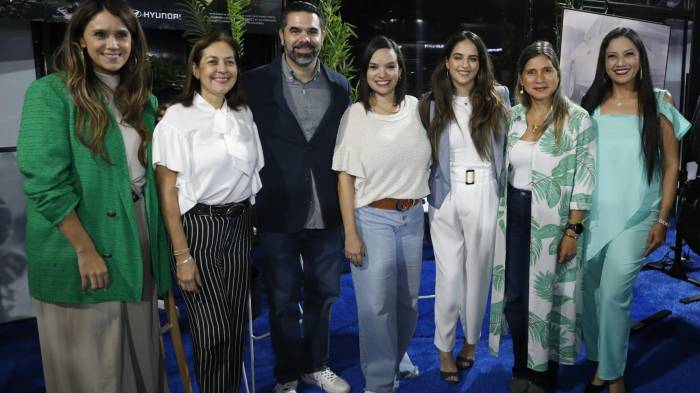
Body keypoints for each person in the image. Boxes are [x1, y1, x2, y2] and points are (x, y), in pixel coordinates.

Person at [16, 1, 171, 392]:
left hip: (136, 237)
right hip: (78, 240)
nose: (112, 44)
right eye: (100, 34)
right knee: (94, 364)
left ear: (134, 43)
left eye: (122, 34)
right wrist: (84, 249)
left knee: (139, 351)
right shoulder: (49, 93)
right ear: (81, 41)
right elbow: (44, 182)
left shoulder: (144, 102)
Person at [239, 2, 352, 393]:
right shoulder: (252, 84)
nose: (304, 39)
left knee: (325, 295)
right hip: (276, 211)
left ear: (322, 37)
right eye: (296, 31)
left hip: (328, 211)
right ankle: (287, 373)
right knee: (283, 300)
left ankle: (316, 364)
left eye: (312, 31)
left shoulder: (341, 86)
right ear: (282, 37)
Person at [580, 27, 691, 393]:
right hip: (594, 214)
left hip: (638, 215)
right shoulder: (591, 102)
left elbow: (673, 165)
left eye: (628, 54)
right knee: (591, 291)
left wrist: (662, 218)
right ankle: (599, 357)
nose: (620, 63)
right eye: (612, 56)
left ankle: (613, 372)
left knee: (614, 293)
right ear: (604, 62)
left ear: (641, 58)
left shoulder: (660, 102)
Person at [152, 31, 263, 393]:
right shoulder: (176, 119)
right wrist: (182, 255)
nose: (222, 69)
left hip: (240, 227)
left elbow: (252, 178)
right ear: (196, 69)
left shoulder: (243, 114)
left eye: (229, 61)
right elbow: (167, 193)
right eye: (212, 61)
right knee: (211, 331)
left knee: (234, 327)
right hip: (199, 231)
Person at [487, 41, 596, 393]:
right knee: (516, 298)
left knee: (546, 299)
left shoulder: (578, 119)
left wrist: (572, 230)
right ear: (520, 79)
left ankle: (544, 376)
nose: (540, 78)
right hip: (514, 219)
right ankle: (522, 367)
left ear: (558, 74)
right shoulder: (513, 117)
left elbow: (585, 179)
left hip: (554, 224)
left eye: (547, 70)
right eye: (531, 72)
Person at [334, 35, 432, 393]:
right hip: (371, 219)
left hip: (411, 218)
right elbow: (344, 177)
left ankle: (396, 354)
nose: (382, 73)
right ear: (365, 72)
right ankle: (378, 382)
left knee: (407, 304)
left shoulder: (417, 109)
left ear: (400, 69)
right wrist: (350, 233)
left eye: (390, 65)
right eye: (374, 66)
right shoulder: (356, 115)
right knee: (376, 307)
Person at [418, 30, 510, 384]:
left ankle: (470, 342)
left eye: (472, 58)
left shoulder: (498, 97)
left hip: (486, 191)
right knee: (449, 276)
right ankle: (444, 348)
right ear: (446, 61)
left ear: (481, 63)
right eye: (458, 57)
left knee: (478, 274)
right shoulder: (430, 103)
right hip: (445, 194)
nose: (465, 65)